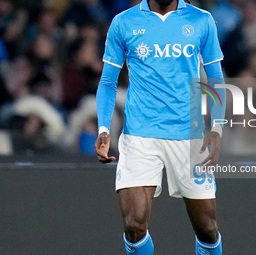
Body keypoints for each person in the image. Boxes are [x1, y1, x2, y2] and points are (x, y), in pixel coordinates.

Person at [94, 0, 226, 254]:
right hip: (139, 135)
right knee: (133, 226)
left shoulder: (201, 20)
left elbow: (216, 78)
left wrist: (217, 128)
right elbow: (108, 82)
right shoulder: (123, 22)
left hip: (189, 135)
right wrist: (104, 128)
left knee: (207, 228)